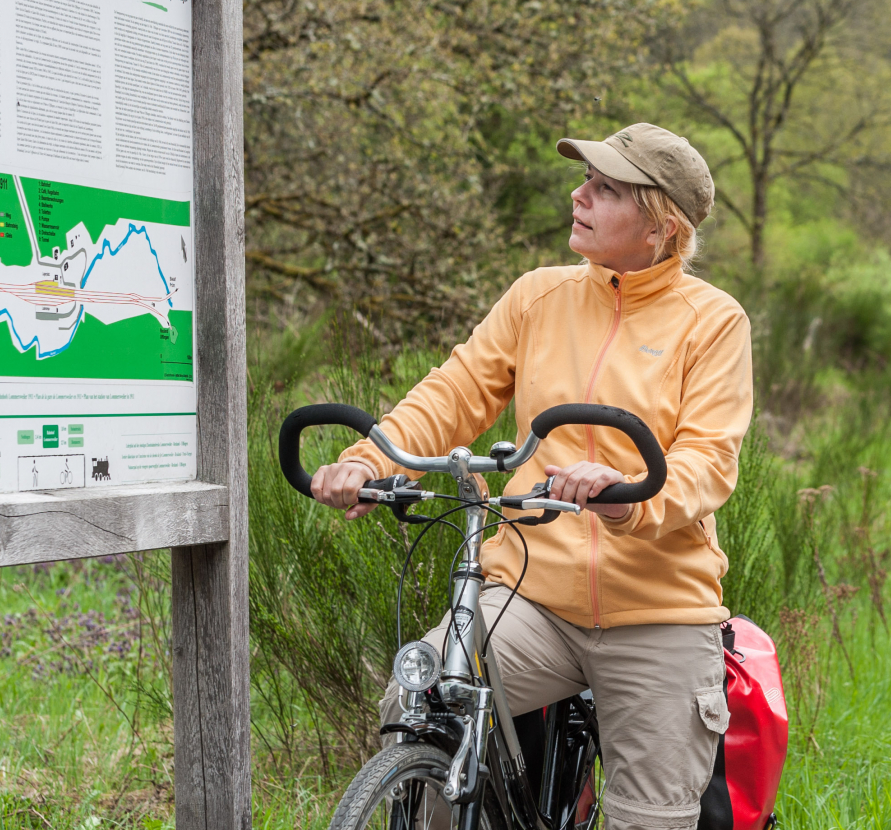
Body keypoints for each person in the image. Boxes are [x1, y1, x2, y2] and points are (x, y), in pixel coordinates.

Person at [308, 123, 752, 830]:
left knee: (652, 820)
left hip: (657, 612)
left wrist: (623, 497)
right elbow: (451, 395)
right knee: (417, 698)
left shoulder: (713, 322)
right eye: (584, 181)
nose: (579, 195)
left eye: (604, 189)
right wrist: (371, 459)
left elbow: (707, 459)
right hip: (531, 596)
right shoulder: (537, 297)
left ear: (660, 224)